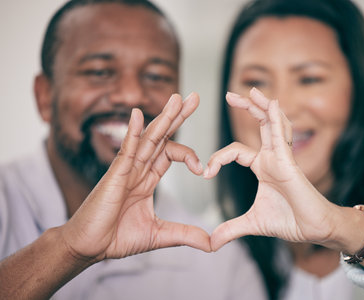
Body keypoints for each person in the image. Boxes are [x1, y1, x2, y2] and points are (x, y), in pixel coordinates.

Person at [0, 1, 267, 299]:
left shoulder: (221, 265)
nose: (132, 95)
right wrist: (67, 249)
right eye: (100, 71)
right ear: (45, 96)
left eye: (156, 76)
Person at [205, 0, 364, 299]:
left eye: (309, 78)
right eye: (255, 81)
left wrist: (342, 228)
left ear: (361, 89)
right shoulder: (215, 232)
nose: (279, 108)